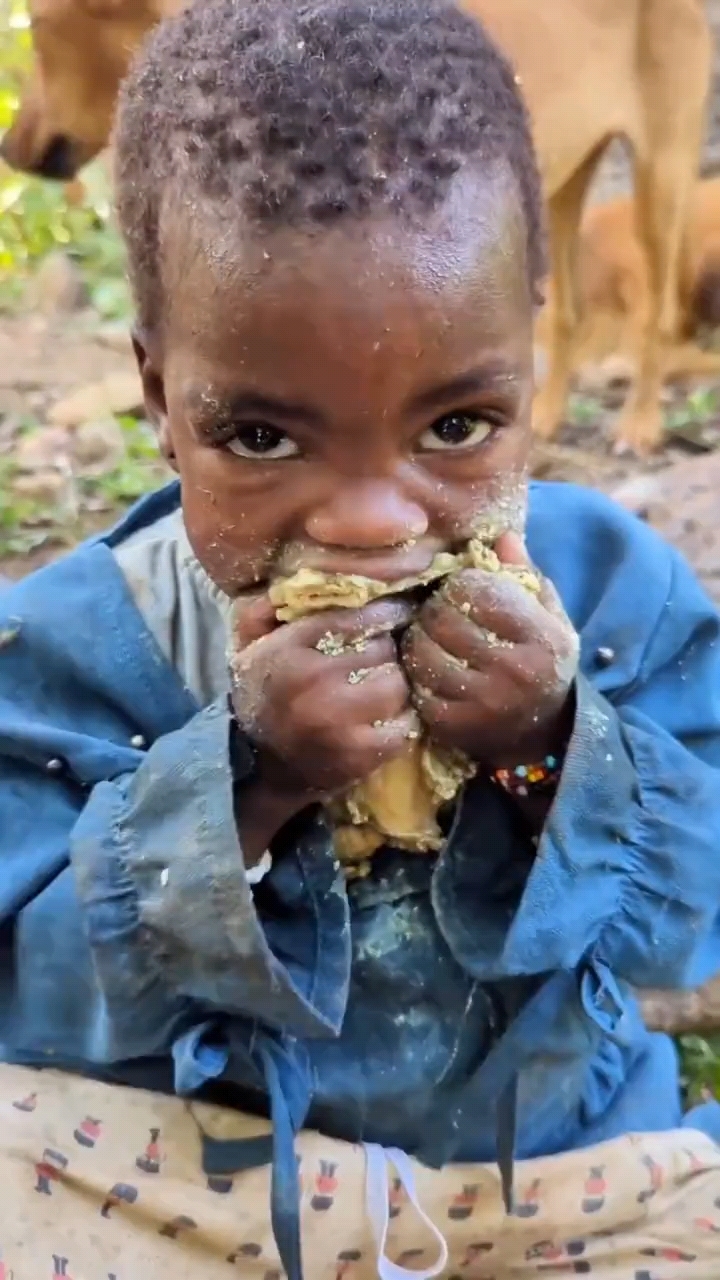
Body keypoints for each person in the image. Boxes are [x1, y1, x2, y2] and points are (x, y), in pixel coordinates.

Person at [2, 0, 720, 1275]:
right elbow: (35, 988)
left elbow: (694, 922)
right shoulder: (72, 647)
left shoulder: (618, 598)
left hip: (558, 1167)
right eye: (261, 436)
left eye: (457, 425)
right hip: (202, 1186)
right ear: (161, 395)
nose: (374, 520)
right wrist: (244, 782)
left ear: (530, 356)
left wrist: (557, 744)